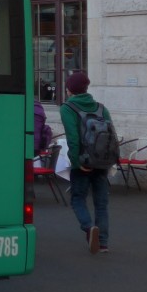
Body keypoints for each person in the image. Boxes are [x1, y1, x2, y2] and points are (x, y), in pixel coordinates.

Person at [60, 70, 114, 254]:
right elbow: (111, 135)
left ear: (69, 89)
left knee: (77, 198)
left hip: (83, 161)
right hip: (101, 161)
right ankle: (103, 242)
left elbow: (73, 139)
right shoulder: (101, 107)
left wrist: (76, 161)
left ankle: (89, 228)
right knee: (101, 202)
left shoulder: (68, 108)